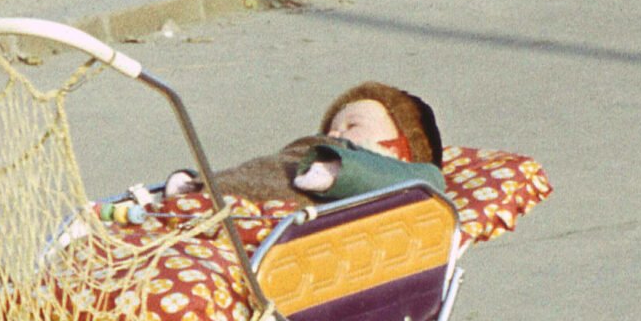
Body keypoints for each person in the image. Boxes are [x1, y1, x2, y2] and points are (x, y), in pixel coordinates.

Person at [165, 81, 448, 205]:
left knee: (264, 189)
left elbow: (429, 178)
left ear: (398, 150)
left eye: (353, 125)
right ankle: (196, 187)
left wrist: (343, 171)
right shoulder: (314, 149)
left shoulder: (406, 175)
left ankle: (198, 195)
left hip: (268, 213)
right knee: (256, 173)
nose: (335, 134)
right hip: (241, 193)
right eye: (332, 127)